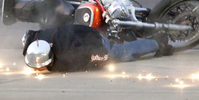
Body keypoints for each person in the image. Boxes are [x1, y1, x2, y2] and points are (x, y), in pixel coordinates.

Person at [22, 24, 173, 73]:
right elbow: (28, 36)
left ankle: (158, 43)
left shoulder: (68, 58)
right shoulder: (36, 39)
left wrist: (103, 61)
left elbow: (99, 58)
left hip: (93, 40)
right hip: (81, 32)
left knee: (120, 53)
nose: (37, 70)